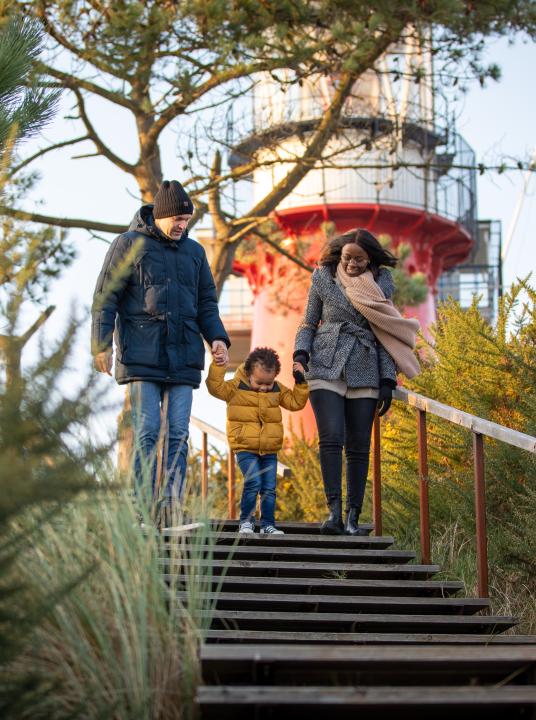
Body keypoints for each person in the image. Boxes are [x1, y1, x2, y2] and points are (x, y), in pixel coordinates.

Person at [91, 179, 230, 507]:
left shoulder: (195, 252)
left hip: (183, 357)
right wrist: (101, 344)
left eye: (187, 220)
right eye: (177, 220)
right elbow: (106, 296)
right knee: (148, 431)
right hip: (141, 355)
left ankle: (171, 504)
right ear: (159, 216)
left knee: (179, 434)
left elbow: (207, 302)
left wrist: (218, 339)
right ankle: (142, 505)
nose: (183, 225)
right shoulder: (128, 245)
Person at [294, 228, 420, 536]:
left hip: (365, 364)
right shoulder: (323, 277)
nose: (352, 264)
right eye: (348, 257)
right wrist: (300, 353)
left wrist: (388, 378)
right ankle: (333, 513)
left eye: (359, 259)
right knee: (332, 436)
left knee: (359, 446)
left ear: (370, 260)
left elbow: (385, 332)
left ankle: (353, 518)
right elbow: (309, 322)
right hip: (325, 362)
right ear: (340, 254)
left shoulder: (381, 284)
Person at [206, 347, 309, 534]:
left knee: (269, 488)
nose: (264, 387)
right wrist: (218, 365)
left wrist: (301, 383)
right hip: (245, 447)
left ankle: (268, 525)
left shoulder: (277, 390)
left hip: (269, 449)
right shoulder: (235, 387)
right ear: (248, 373)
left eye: (268, 384)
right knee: (253, 482)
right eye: (259, 382)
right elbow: (215, 387)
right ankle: (246, 522)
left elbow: (295, 402)